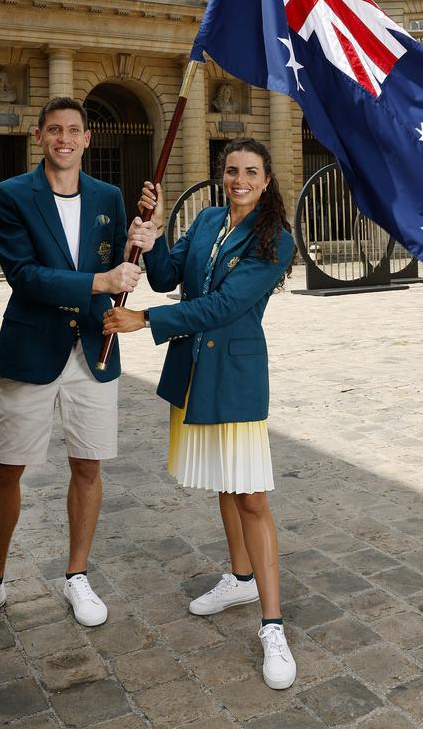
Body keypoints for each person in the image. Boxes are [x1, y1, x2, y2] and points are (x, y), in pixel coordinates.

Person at [0, 96, 156, 637]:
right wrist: (102, 283)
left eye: (74, 130)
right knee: (4, 469)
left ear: (88, 139)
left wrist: (141, 246)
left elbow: (122, 267)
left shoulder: (109, 196)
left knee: (87, 466)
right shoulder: (9, 195)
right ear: (39, 137)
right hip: (31, 347)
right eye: (54, 130)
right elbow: (25, 275)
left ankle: (77, 575)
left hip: (95, 349)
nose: (65, 139)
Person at [104, 137, 297, 690]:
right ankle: (240, 577)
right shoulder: (210, 217)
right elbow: (166, 274)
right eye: (232, 169)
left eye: (251, 172)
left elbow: (225, 305)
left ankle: (273, 625)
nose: (240, 179)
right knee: (227, 485)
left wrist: (145, 321)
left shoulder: (275, 239)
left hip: (234, 376)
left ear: (266, 181)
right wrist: (154, 231)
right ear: (223, 174)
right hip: (196, 371)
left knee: (252, 496)